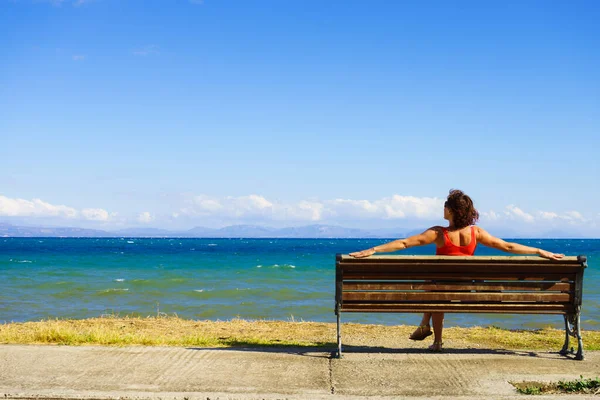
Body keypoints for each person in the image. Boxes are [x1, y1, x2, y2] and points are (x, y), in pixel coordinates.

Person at [349, 189, 564, 352]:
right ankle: (429, 331)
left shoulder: (438, 233)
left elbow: (405, 244)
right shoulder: (476, 232)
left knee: (434, 288)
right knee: (434, 287)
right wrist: (538, 251)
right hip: (464, 288)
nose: (442, 209)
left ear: (451, 210)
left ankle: (432, 334)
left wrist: (373, 250)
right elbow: (507, 246)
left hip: (439, 288)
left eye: (445, 206)